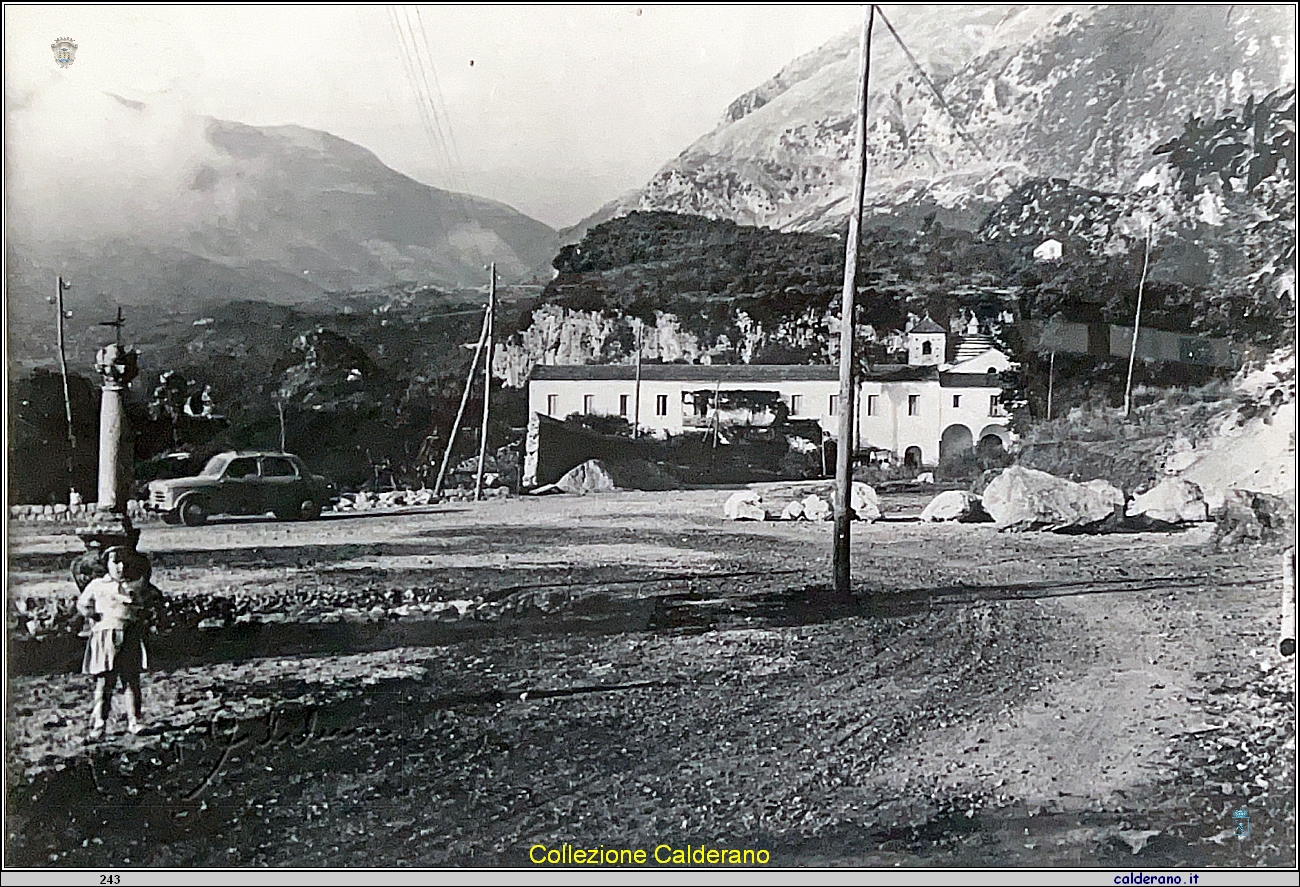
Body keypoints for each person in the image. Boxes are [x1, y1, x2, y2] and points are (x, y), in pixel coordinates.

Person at [76, 547, 162, 739]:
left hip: (129, 635)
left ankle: (135, 721)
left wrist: (142, 613)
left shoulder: (133, 586)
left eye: (124, 562)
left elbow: (147, 603)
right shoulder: (98, 585)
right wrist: (91, 614)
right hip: (106, 637)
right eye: (115, 562)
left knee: (131, 680)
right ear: (106, 564)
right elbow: (82, 603)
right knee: (105, 682)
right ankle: (99, 724)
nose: (120, 567)